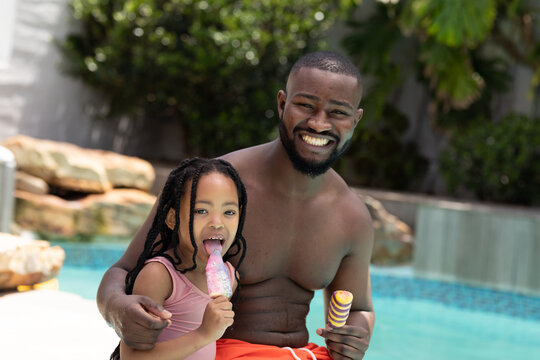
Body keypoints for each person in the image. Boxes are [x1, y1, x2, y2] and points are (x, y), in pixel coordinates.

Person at [98, 51, 375, 360]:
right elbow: (124, 270)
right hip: (214, 351)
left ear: (355, 119)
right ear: (282, 104)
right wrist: (116, 309)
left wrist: (355, 336)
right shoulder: (212, 187)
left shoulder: (352, 217)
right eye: (306, 105)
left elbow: (360, 308)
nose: (319, 124)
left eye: (338, 112)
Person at [110, 157, 248, 360]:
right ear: (173, 219)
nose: (217, 223)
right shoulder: (159, 276)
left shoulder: (230, 276)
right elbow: (133, 357)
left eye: (229, 212)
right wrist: (204, 334)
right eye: (201, 210)